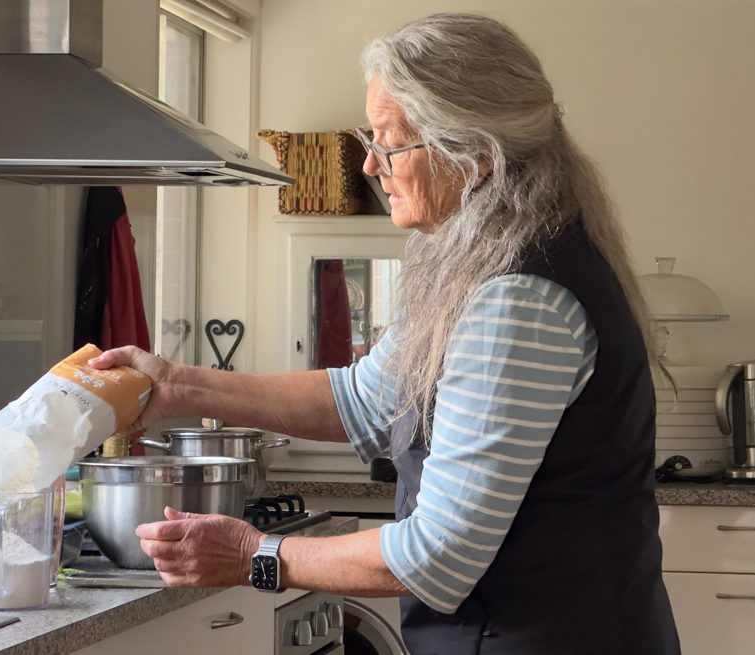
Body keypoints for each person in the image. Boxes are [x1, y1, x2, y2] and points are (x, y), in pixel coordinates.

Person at [89, 13, 680, 655]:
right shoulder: (485, 262)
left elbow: (436, 556)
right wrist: (174, 385)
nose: (370, 165)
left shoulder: (517, 300)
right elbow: (364, 400)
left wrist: (253, 554)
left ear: (476, 155)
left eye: (390, 143)